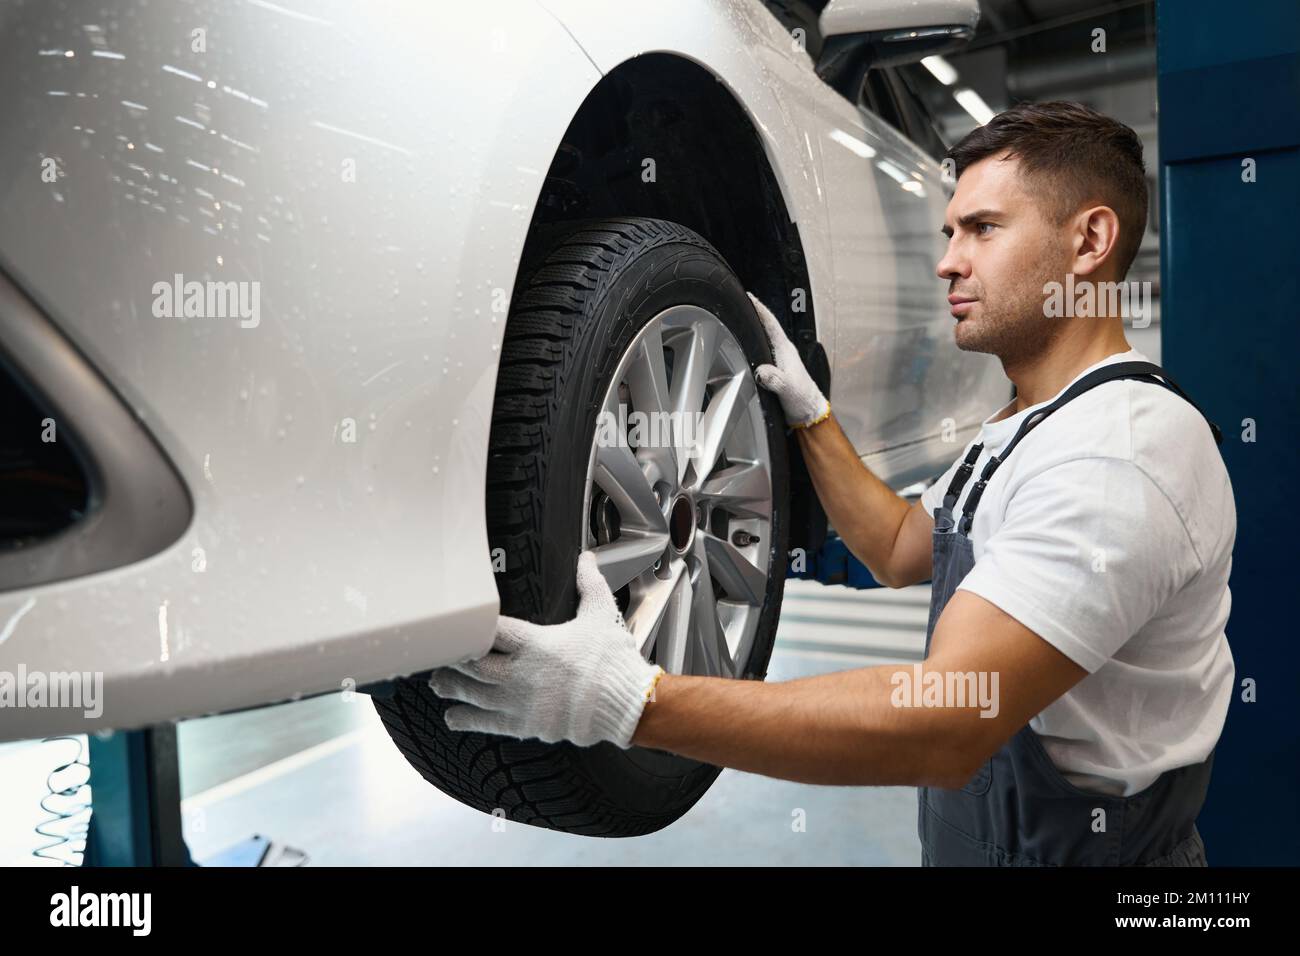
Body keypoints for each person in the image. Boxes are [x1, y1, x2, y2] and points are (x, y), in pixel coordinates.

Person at [427, 101, 1236, 866]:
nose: (949, 261)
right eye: (951, 231)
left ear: (1090, 241)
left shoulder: (1118, 454)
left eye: (983, 229)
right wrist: (812, 418)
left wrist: (630, 701)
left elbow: (947, 722)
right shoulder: (1028, 423)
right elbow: (894, 546)